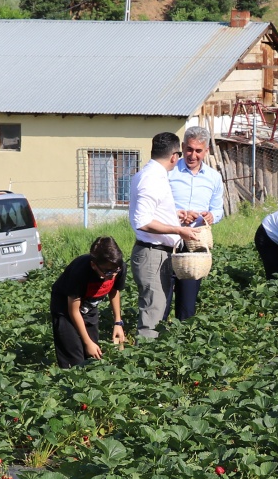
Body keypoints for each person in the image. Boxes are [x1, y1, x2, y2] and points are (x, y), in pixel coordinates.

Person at [128, 132, 201, 340]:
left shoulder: (153, 175)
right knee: (153, 314)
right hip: (153, 254)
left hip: (160, 253)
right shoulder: (151, 179)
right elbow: (142, 222)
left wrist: (174, 215)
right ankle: (144, 366)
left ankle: (151, 363)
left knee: (158, 312)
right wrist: (179, 230)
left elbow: (152, 212)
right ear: (174, 156)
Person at [168, 126, 223, 320]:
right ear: (182, 147)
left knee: (188, 305)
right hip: (168, 240)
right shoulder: (169, 173)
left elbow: (218, 210)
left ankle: (182, 345)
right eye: (189, 149)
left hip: (195, 245)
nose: (193, 155)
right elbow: (156, 206)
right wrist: (178, 215)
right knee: (161, 302)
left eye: (198, 151)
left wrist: (211, 217)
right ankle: (157, 342)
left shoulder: (214, 178)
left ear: (206, 151)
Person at [50, 236, 127, 367]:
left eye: (115, 270)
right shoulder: (80, 272)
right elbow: (73, 311)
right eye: (107, 271)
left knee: (93, 355)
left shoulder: (118, 267)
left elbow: (114, 291)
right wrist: (87, 342)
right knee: (74, 357)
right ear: (93, 265)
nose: (112, 275)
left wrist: (118, 322)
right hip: (65, 310)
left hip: (89, 308)